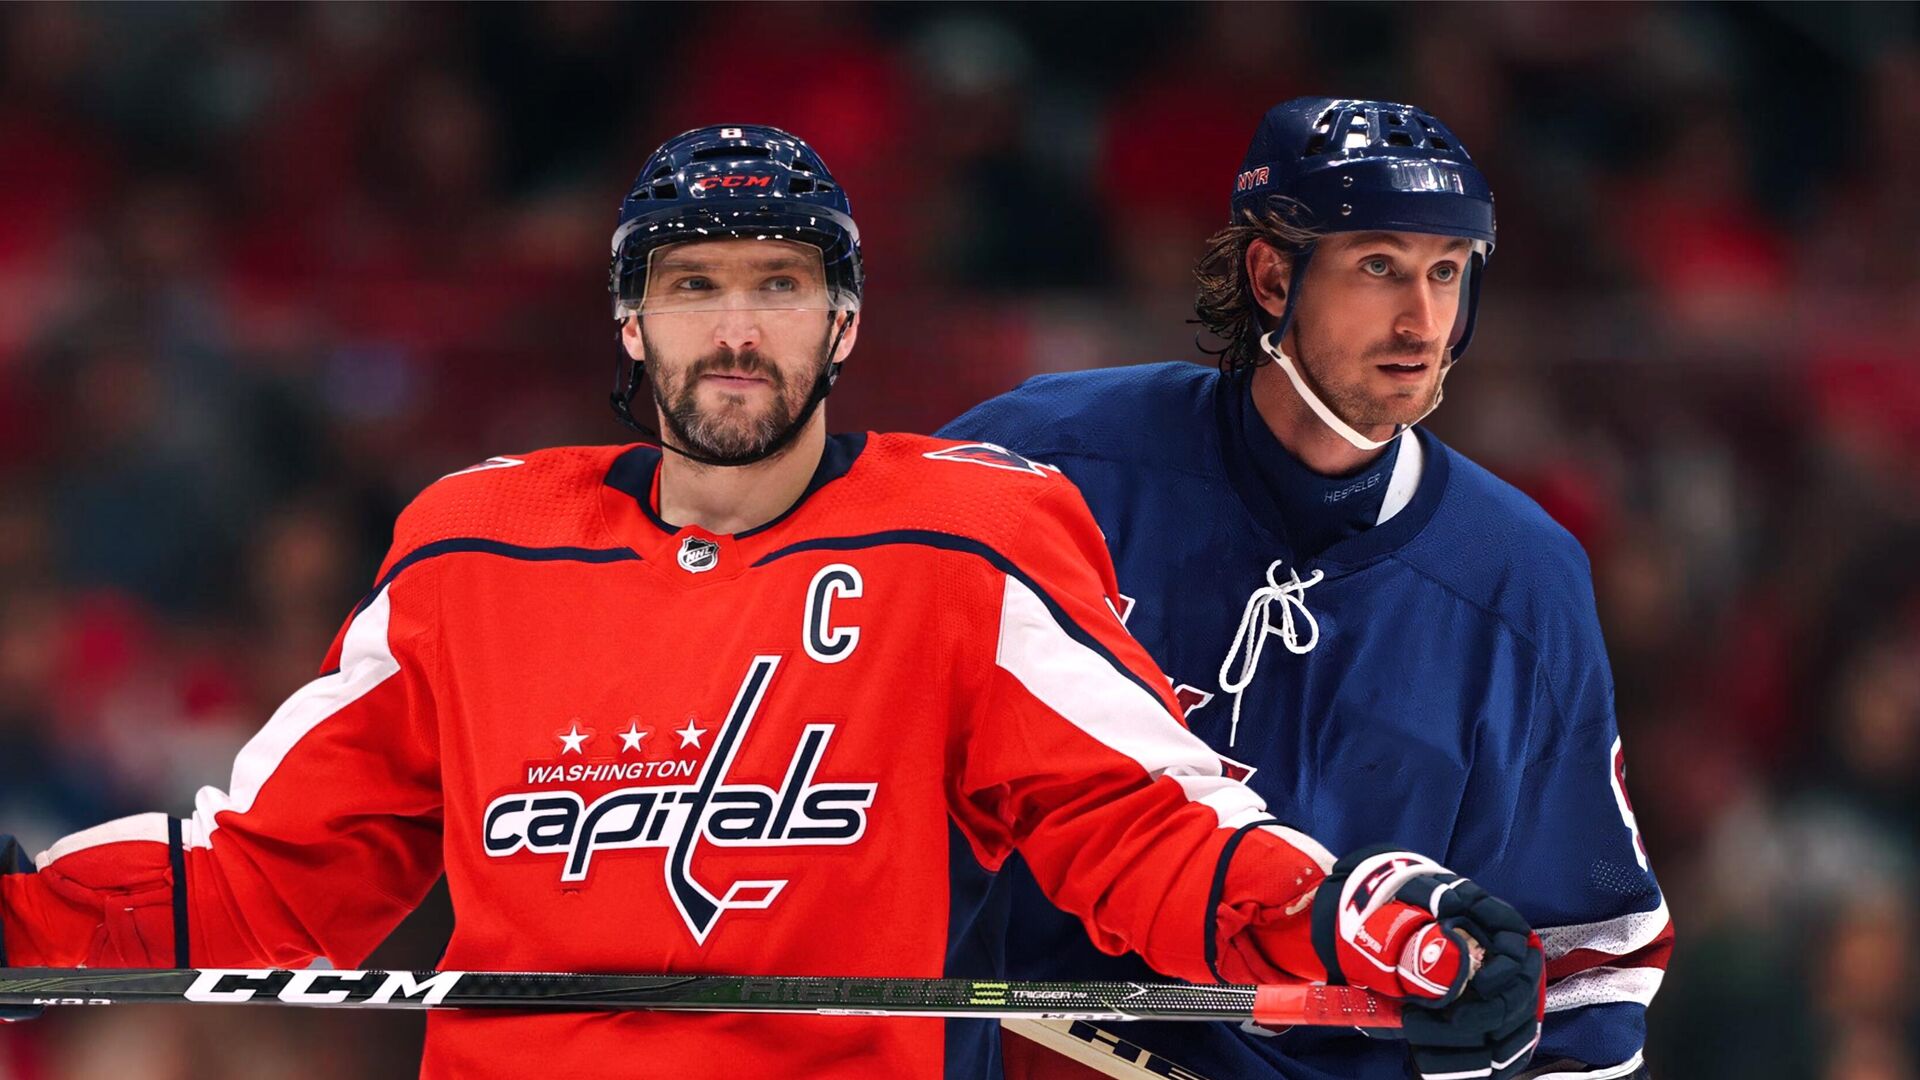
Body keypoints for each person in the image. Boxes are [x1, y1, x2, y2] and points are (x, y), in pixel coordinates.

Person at [0, 124, 1542, 1079]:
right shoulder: (473, 547)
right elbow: (272, 873)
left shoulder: (969, 538)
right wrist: (26, 917)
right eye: (694, 286)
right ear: (631, 319)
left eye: (781, 285)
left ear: (844, 321)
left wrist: (1351, 915)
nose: (737, 331)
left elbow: (1143, 822)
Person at [941, 98, 1670, 1080]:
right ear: (1272, 275)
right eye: (1379, 267)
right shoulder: (1045, 462)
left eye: (1446, 272)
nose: (1422, 320)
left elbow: (1587, 960)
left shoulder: (1518, 576)